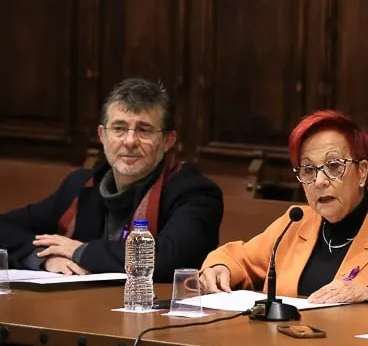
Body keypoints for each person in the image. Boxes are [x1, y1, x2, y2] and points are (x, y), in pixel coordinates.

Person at [199, 110, 368, 306]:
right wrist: (221, 267)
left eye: (334, 166)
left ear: (362, 172)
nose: (320, 181)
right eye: (308, 169)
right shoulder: (296, 222)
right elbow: (238, 258)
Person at [0, 78, 224, 281]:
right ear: (102, 136)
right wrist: (44, 259)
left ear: (167, 141)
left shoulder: (196, 193)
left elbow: (168, 259)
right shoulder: (80, 185)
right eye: (119, 128)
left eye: (144, 130)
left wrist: (80, 252)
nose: (129, 141)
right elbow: (5, 228)